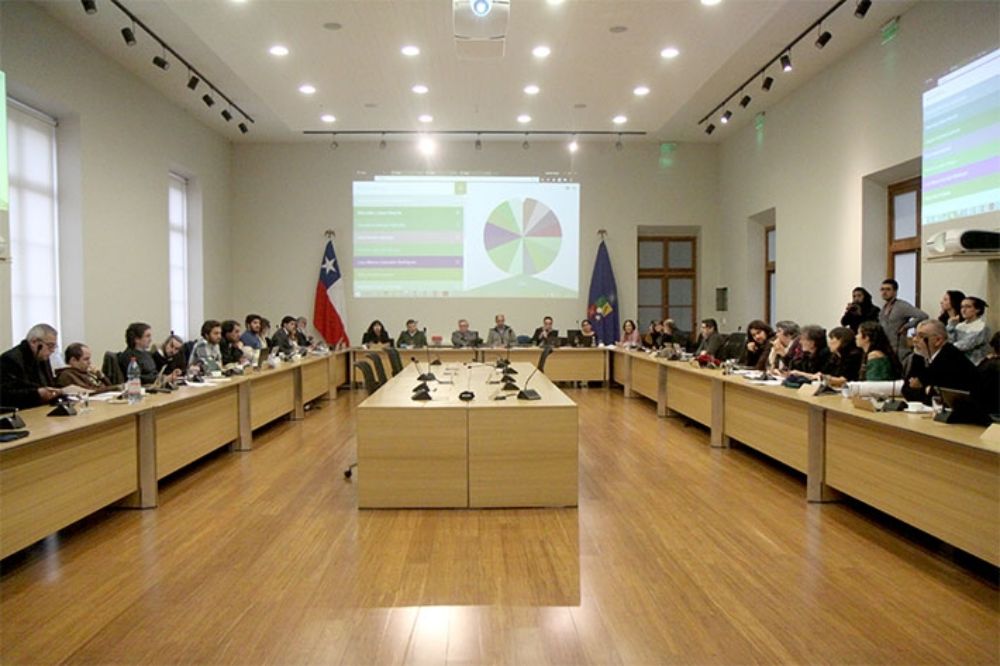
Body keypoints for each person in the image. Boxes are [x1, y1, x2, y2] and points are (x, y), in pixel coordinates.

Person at [903, 319, 981, 404]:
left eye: (921, 336)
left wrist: (925, 389)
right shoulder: (919, 357)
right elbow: (906, 390)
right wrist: (926, 389)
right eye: (914, 335)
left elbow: (940, 399)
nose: (914, 340)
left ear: (938, 340)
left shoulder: (951, 358)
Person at [0, 323, 65, 408]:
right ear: (34, 342)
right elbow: (5, 395)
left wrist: (62, 391)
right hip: (21, 411)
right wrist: (37, 394)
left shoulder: (42, 357)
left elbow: (49, 385)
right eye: (50, 346)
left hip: (42, 408)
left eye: (54, 346)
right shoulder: (10, 359)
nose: (52, 350)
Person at [878, 278, 928, 358]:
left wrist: (906, 326)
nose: (884, 292)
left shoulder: (901, 306)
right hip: (885, 348)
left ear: (895, 291)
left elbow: (923, 316)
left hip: (898, 349)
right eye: (882, 289)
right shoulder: (883, 309)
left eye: (888, 289)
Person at [946, 296, 991, 367]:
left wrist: (947, 348)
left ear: (977, 309)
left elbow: (965, 345)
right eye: (962, 307)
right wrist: (951, 326)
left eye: (968, 307)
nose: (963, 310)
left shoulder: (981, 327)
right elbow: (949, 341)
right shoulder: (959, 325)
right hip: (958, 362)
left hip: (975, 365)